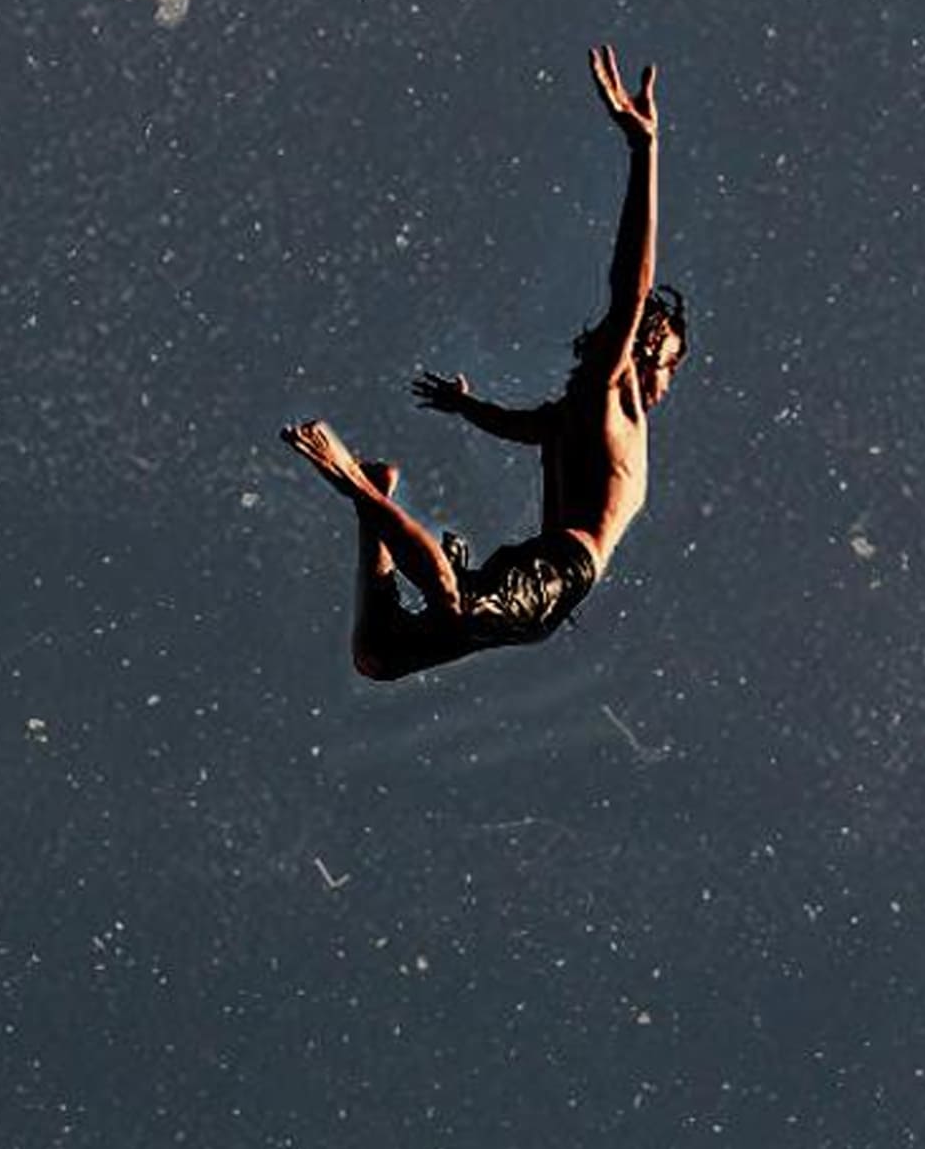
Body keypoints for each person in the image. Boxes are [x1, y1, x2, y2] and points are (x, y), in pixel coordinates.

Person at [280, 44, 685, 680]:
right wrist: (644, 151)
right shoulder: (614, 389)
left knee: (379, 654)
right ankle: (354, 483)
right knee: (452, 603)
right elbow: (632, 286)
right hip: (560, 569)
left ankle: (374, 497)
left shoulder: (579, 415)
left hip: (549, 582)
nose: (668, 382)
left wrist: (470, 407)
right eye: (669, 363)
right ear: (644, 348)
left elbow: (529, 429)